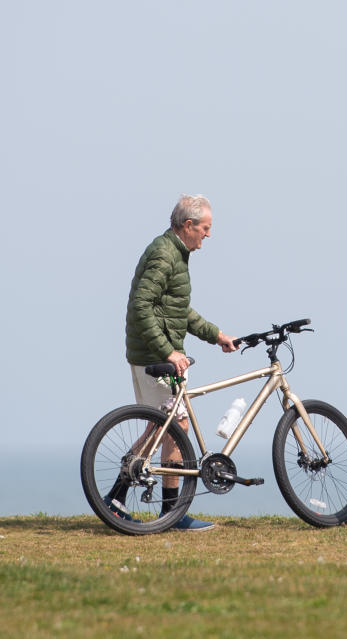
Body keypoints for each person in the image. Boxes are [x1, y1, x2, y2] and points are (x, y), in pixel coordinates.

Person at [108, 194, 238, 531]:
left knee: (162, 427)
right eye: (205, 228)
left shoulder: (174, 254)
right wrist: (168, 351)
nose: (208, 235)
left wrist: (216, 334)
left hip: (152, 353)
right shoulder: (165, 254)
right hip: (154, 357)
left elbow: (177, 311)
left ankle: (143, 505)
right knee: (173, 427)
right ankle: (159, 509)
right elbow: (141, 305)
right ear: (188, 225)